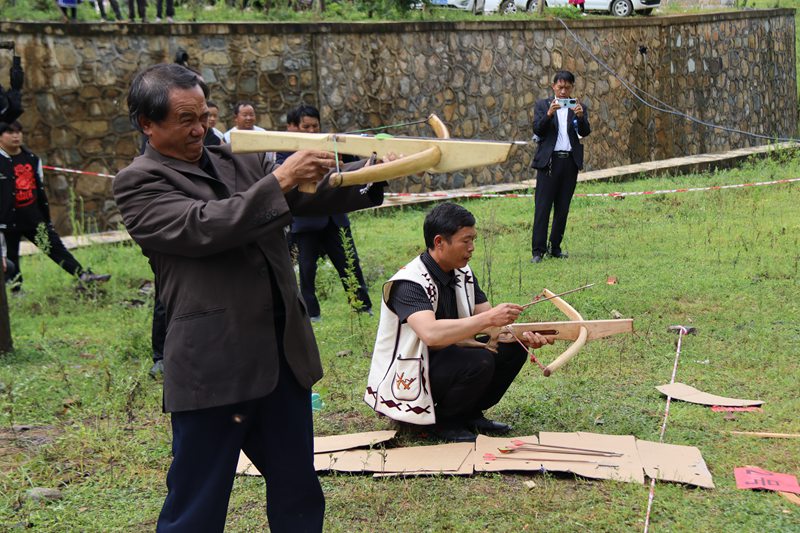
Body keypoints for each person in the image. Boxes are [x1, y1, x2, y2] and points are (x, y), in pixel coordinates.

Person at [114, 63, 385, 531]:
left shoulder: (235, 157)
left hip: (281, 356)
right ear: (147, 123)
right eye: (185, 119)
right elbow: (205, 225)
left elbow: (307, 196)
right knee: (196, 503)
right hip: (213, 366)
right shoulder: (139, 182)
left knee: (299, 492)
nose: (200, 128)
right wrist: (280, 180)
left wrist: (371, 171)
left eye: (203, 115)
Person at [365, 203, 552, 442]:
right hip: (411, 370)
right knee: (479, 360)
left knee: (512, 348)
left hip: (448, 358)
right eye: (466, 241)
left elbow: (493, 327)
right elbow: (431, 334)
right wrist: (488, 319)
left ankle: (470, 413)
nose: (472, 248)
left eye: (474, 239)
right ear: (440, 241)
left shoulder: (463, 272)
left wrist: (524, 337)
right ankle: (445, 421)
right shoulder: (408, 282)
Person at [279, 104, 372, 322]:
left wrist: (352, 145)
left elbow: (352, 164)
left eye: (315, 126)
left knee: (349, 264)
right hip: (305, 221)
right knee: (306, 270)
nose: (312, 131)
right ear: (293, 127)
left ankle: (363, 308)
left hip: (335, 217)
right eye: (306, 127)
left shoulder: (328, 143)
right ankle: (311, 315)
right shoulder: (285, 149)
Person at [0, 121, 111, 289]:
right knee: (11, 257)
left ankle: (83, 275)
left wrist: (44, 216)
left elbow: (39, 187)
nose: (16, 136)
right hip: (7, 220)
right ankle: (15, 291)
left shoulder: (31, 159)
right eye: (10, 132)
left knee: (55, 248)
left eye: (18, 131)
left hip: (33, 217)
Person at [530, 70, 591, 264]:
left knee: (562, 207)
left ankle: (555, 247)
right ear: (553, 87)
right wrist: (549, 114)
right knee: (542, 207)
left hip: (569, 162)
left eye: (567, 87)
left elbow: (585, 132)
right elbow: (537, 129)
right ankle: (538, 251)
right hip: (549, 162)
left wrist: (581, 117)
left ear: (572, 88)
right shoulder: (542, 105)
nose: (563, 91)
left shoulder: (578, 107)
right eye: (560, 87)